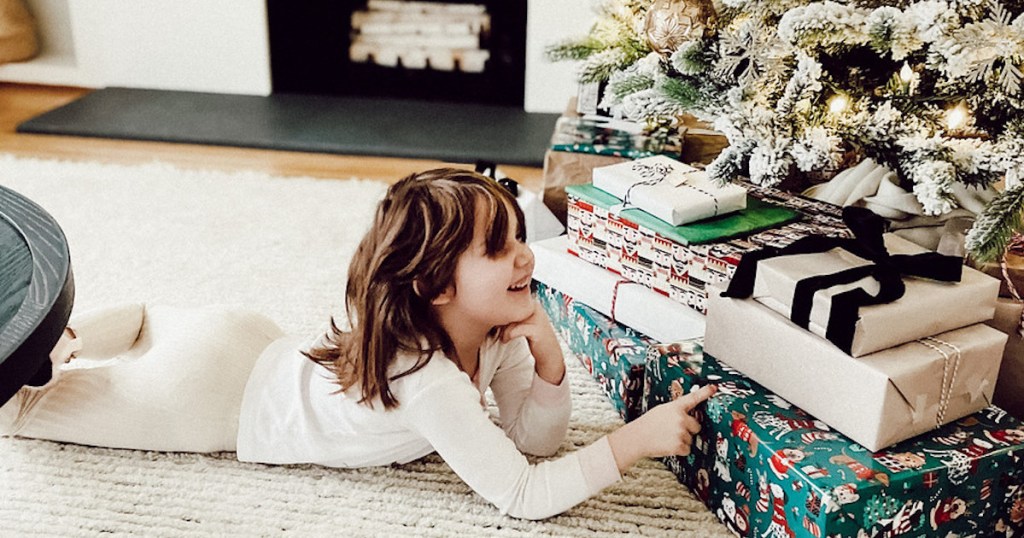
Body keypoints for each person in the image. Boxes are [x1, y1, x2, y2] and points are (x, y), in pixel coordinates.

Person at [0, 168, 716, 520]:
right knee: (17, 412)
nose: (525, 256)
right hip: (211, 402)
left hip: (250, 339)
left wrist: (550, 359)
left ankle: (58, 340)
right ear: (436, 284)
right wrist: (633, 443)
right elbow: (524, 492)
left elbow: (533, 441)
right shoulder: (428, 376)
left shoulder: (494, 333)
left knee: (148, 317)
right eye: (499, 248)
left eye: (519, 237)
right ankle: (45, 345)